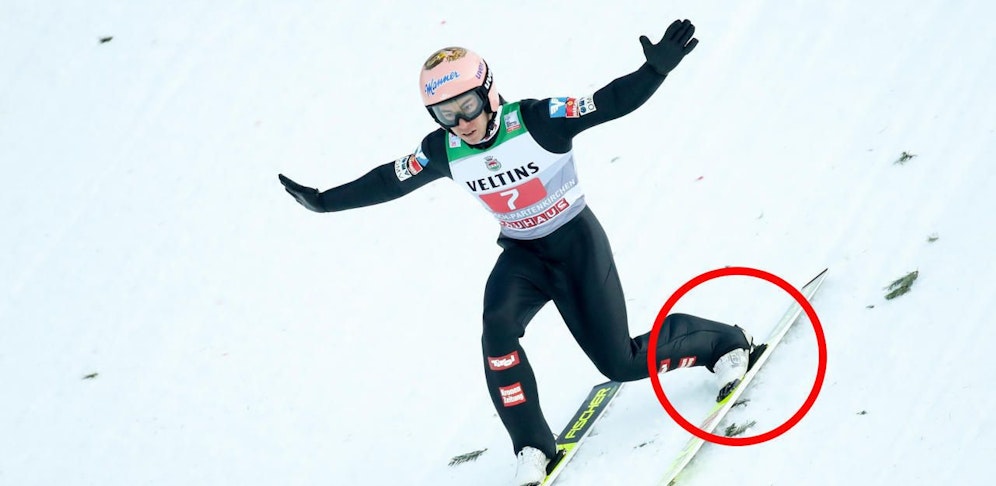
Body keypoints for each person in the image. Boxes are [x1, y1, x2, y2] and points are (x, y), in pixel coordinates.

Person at [279, 18, 762, 486]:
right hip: (524, 258)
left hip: (577, 248)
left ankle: (723, 344)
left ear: (489, 91)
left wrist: (654, 70)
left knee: (620, 363)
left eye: (467, 105)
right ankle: (532, 445)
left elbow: (607, 103)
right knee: (497, 332)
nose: (461, 122)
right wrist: (323, 202)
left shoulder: (537, 119)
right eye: (445, 114)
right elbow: (388, 179)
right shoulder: (444, 149)